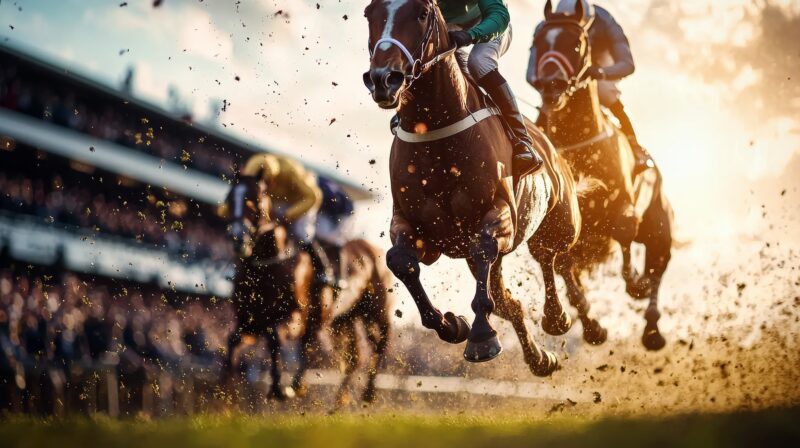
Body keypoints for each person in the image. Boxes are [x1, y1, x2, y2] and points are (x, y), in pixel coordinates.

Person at [392, 0, 544, 178]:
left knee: (479, 63)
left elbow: (499, 16)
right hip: (443, 24)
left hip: (488, 21)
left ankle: (522, 140)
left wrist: (470, 35)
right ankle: (401, 116)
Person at [527, 0, 654, 175]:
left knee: (607, 94)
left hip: (596, 66)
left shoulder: (605, 21)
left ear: (587, 20)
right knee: (549, 104)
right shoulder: (547, 26)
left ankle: (635, 147)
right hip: (565, 72)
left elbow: (627, 64)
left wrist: (599, 73)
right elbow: (531, 73)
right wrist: (549, 88)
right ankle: (530, 149)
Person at [240, 154, 343, 289]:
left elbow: (312, 197)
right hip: (279, 200)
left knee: (302, 233)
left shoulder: (290, 171)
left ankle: (323, 270)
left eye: (267, 182)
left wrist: (288, 216)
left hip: (304, 199)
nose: (266, 186)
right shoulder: (252, 173)